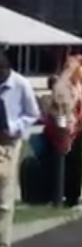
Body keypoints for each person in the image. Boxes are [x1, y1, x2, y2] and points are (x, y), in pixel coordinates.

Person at [42, 56, 82, 208]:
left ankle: (72, 196)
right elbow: (58, 106)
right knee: (58, 162)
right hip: (60, 129)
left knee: (73, 163)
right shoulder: (64, 86)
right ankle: (57, 193)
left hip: (74, 129)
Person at [0, 53, 40, 247]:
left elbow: (33, 114)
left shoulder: (21, 84)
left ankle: (3, 240)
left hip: (9, 142)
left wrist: (13, 127)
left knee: (4, 192)